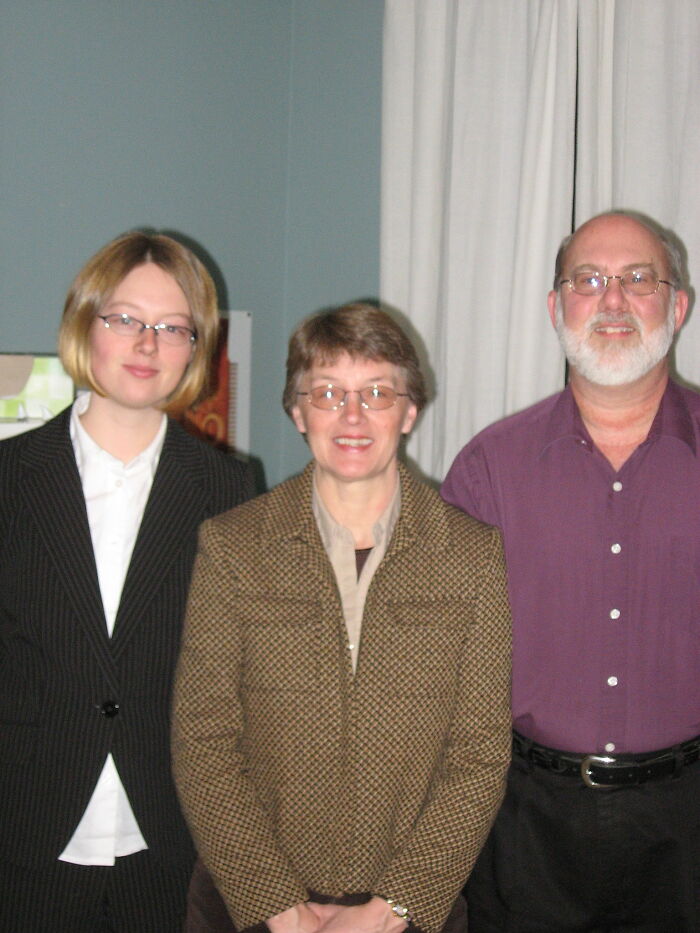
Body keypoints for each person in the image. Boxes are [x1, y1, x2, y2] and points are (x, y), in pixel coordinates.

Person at [172, 303, 512, 933]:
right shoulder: (234, 546)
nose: (352, 415)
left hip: (410, 911)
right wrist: (276, 904)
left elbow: (479, 754)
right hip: (246, 905)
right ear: (298, 411)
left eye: (377, 393)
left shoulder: (471, 555)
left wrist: (395, 906)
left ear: (409, 411)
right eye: (327, 393)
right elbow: (203, 739)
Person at [441, 210, 698, 932]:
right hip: (527, 822)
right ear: (557, 308)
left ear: (677, 306)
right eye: (588, 280)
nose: (612, 300)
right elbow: (440, 663)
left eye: (637, 279)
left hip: (689, 824)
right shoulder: (488, 466)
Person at [0, 231, 253, 932]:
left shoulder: (229, 489)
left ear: (194, 349)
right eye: (125, 319)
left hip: (171, 848)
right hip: (23, 841)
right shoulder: (8, 482)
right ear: (86, 323)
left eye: (172, 327)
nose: (147, 343)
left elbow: (243, 684)